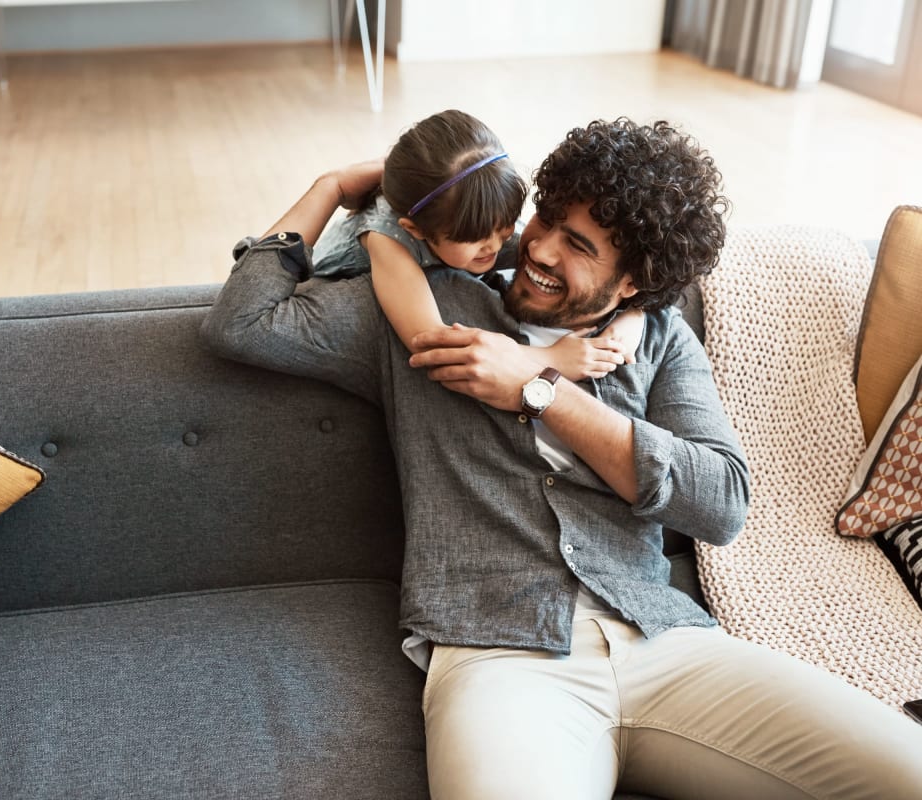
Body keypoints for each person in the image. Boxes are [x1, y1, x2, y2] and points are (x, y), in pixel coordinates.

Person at [202, 117, 922, 799]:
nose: (541, 249)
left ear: (634, 281)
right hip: (501, 656)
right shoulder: (419, 310)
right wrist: (330, 186)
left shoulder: (657, 340)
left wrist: (542, 389)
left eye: (580, 247)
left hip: (664, 642)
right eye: (546, 218)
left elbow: (722, 502)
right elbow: (242, 324)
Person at [313, 108, 644, 379]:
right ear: (415, 230)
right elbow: (428, 344)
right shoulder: (390, 244)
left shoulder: (473, 223)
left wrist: (632, 315)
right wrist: (549, 359)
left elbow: (629, 278)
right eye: (476, 242)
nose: (495, 248)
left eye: (504, 229)